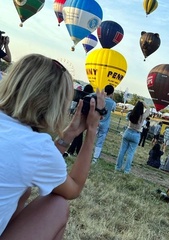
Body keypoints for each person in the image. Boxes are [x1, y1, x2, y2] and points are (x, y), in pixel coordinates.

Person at [0, 54, 105, 238]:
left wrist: (68, 136)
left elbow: (33, 162)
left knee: (23, 191)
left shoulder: (33, 149)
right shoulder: (36, 146)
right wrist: (91, 132)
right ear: (56, 104)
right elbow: (74, 188)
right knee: (57, 206)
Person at [115, 100, 150, 173]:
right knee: (130, 153)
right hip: (136, 134)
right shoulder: (142, 117)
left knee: (122, 151)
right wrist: (144, 103)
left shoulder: (130, 114)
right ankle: (126, 170)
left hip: (128, 131)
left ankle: (118, 167)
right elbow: (148, 109)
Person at [63, 84, 94, 157]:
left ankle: (74, 150)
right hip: (85, 117)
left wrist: (72, 111)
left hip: (78, 115)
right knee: (79, 134)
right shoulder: (91, 98)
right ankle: (76, 150)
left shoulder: (81, 96)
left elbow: (75, 104)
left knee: (78, 134)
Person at [92, 84, 116, 163]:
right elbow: (113, 110)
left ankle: (87, 152)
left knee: (91, 138)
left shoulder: (99, 98)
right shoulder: (113, 103)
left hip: (96, 121)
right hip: (105, 123)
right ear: (112, 93)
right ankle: (95, 158)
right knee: (100, 141)